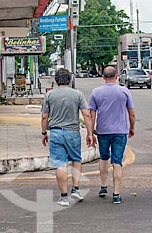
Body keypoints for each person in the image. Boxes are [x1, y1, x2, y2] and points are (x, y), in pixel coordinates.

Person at [41, 68, 96, 206]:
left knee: (60, 164)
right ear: (70, 80)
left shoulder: (50, 95)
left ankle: (64, 197)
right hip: (73, 132)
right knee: (76, 159)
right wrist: (90, 133)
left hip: (56, 132)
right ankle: (76, 189)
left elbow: (44, 116)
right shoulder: (77, 94)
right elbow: (87, 115)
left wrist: (43, 133)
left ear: (56, 80)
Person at [89, 66, 136, 204]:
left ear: (103, 77)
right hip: (120, 131)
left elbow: (92, 115)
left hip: (103, 131)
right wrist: (132, 127)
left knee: (103, 158)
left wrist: (90, 132)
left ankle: (103, 186)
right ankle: (116, 194)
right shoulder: (124, 91)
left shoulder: (96, 92)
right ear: (116, 77)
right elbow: (131, 113)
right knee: (117, 162)